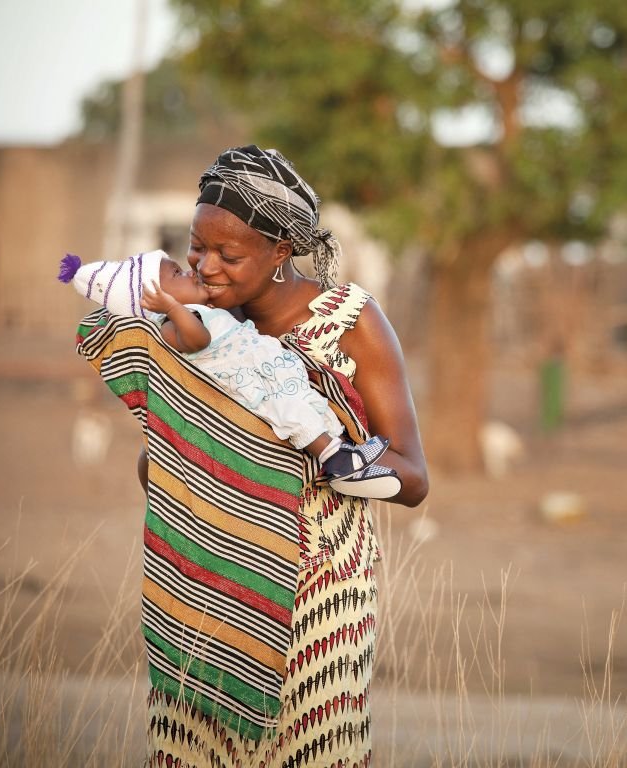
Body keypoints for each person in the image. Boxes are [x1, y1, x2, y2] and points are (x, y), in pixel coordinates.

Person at [75, 145, 428, 767]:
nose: (206, 267)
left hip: (317, 590)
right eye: (195, 247)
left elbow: (414, 477)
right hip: (202, 578)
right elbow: (154, 466)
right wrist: (201, 440)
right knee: (195, 747)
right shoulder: (196, 330)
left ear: (280, 252)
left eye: (228, 254)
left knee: (313, 750)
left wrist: (332, 458)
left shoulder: (350, 322)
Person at [59, 249, 401, 499]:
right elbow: (198, 340)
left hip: (272, 371)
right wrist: (173, 310)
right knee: (293, 415)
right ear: (154, 302)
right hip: (258, 389)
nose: (195, 270)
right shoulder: (171, 327)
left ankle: (345, 453)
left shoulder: (203, 310)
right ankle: (336, 460)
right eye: (177, 275)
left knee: (309, 405)